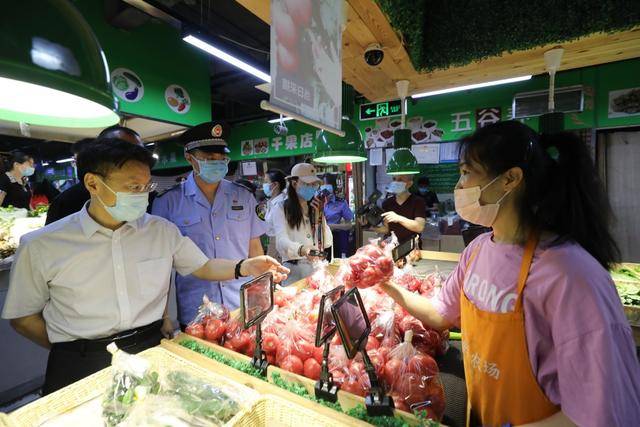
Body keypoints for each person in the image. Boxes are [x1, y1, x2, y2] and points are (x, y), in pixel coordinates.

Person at [380, 121, 640, 427]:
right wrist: (386, 283)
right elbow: (440, 313)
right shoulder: (478, 250)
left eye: (466, 172)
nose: (459, 186)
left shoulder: (571, 276)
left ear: (510, 179)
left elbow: (601, 414)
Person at [1, 138, 287, 395]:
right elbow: (23, 317)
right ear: (92, 183)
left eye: (145, 186)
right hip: (81, 362)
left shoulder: (160, 231)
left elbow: (202, 266)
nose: (141, 195)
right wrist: (72, 349)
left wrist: (245, 267)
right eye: (132, 187)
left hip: (151, 349)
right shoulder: (43, 244)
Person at [152, 122, 267, 326]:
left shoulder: (243, 197)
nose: (217, 163)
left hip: (240, 303)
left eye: (222, 159)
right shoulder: (168, 202)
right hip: (196, 309)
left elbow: (255, 248)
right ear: (190, 157)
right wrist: (165, 316)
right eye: (209, 159)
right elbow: (162, 267)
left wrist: (262, 293)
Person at [45, 127, 143, 225]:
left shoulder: (145, 197)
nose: (135, 159)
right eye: (121, 151)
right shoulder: (65, 201)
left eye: (141, 154)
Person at [271, 163, 332, 285]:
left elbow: (327, 242)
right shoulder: (281, 208)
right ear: (294, 184)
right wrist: (302, 250)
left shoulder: (314, 207)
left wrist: (319, 217)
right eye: (307, 184)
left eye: (314, 184)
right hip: (293, 271)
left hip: (316, 270)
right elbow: (281, 241)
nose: (312, 187)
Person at [377, 174, 426, 245]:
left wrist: (398, 218)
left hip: (411, 248)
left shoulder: (418, 202)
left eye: (400, 180)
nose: (395, 182)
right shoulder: (387, 203)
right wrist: (369, 226)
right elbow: (387, 229)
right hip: (391, 247)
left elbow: (419, 227)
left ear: (409, 184)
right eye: (394, 179)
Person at [320, 178, 354, 259]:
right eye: (322, 185)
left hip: (333, 237)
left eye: (327, 185)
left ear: (333, 187)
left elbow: (349, 225)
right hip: (317, 237)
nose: (325, 189)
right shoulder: (317, 200)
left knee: (333, 262)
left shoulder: (340, 203)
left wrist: (333, 226)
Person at [263, 168, 287, 260]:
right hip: (272, 242)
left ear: (275, 184)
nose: (264, 185)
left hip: (278, 245)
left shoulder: (280, 204)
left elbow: (281, 231)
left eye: (266, 181)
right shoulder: (271, 202)